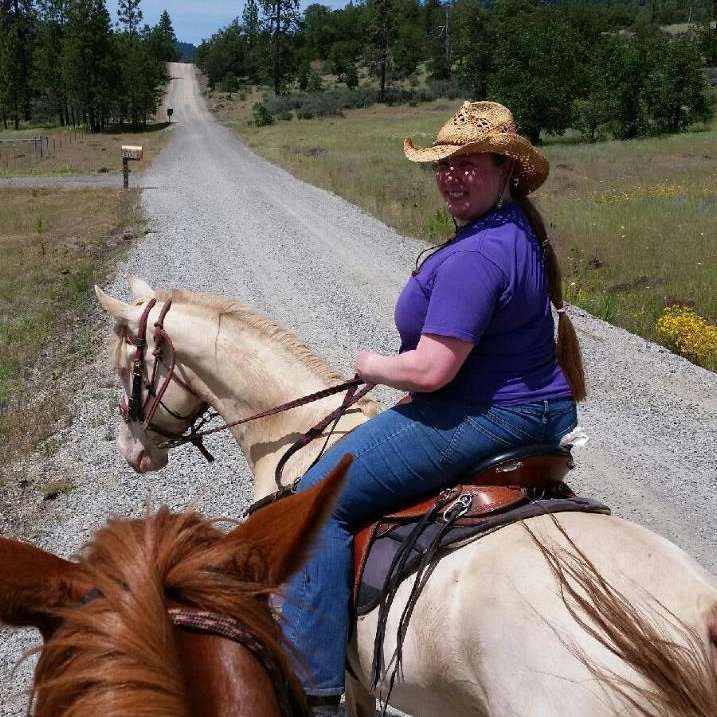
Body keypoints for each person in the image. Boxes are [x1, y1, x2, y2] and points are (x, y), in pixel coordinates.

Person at [280, 100, 587, 715]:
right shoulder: (515, 231)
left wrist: (371, 364)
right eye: (445, 164)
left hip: (492, 411)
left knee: (314, 504)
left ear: (506, 170)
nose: (452, 176)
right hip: (536, 408)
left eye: (469, 164)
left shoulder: (477, 255)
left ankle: (316, 696)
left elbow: (431, 368)